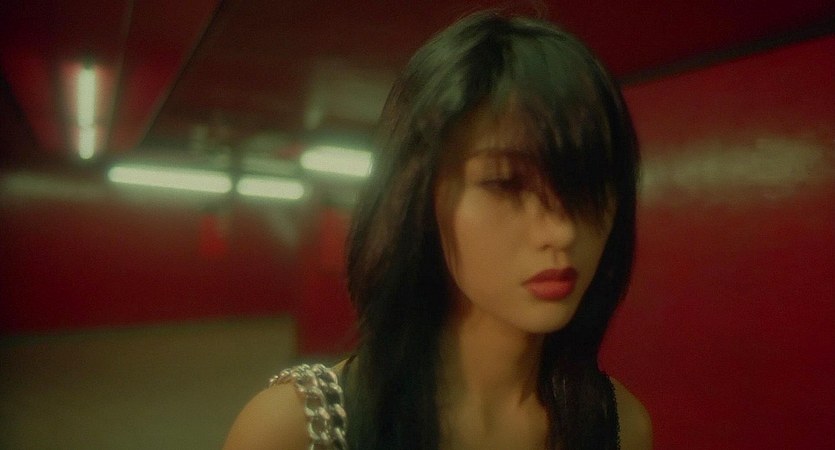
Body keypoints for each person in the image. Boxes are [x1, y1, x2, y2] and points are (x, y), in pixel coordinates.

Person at [224, 10, 652, 450]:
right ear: (419, 195)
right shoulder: (297, 430)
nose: (561, 232)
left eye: (588, 183)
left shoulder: (621, 428)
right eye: (504, 183)